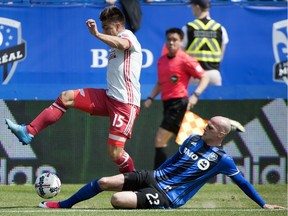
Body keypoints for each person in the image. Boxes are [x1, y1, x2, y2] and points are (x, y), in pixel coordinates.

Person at [38, 116, 285, 210]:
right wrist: (151, 175)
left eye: (210, 126)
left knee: (117, 200)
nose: (204, 126)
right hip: (153, 177)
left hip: (169, 197)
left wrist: (263, 205)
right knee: (104, 181)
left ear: (220, 134)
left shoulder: (222, 160)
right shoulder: (193, 139)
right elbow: (175, 160)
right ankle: (63, 205)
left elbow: (241, 182)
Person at [5, 5, 143, 173]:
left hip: (125, 104)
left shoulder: (127, 35)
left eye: (107, 28)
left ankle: (134, 181)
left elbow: (123, 43)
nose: (104, 31)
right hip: (109, 98)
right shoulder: (115, 43)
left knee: (115, 153)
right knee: (66, 97)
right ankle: (29, 131)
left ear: (118, 26)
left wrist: (98, 34)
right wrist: (101, 33)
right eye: (103, 28)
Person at [143, 27, 210, 169]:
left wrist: (195, 95)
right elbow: (161, 83)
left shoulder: (185, 59)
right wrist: (150, 97)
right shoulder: (161, 61)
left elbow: (204, 77)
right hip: (167, 105)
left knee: (160, 140)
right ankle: (212, 133)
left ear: (181, 42)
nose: (171, 42)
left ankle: (157, 177)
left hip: (179, 104)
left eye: (175, 40)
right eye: (169, 39)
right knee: (189, 140)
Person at [182, 0, 229, 86]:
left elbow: (181, 54)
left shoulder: (188, 28)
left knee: (192, 99)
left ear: (197, 7)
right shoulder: (220, 29)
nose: (191, 9)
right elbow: (220, 56)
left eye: (192, 6)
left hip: (194, 75)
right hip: (214, 74)